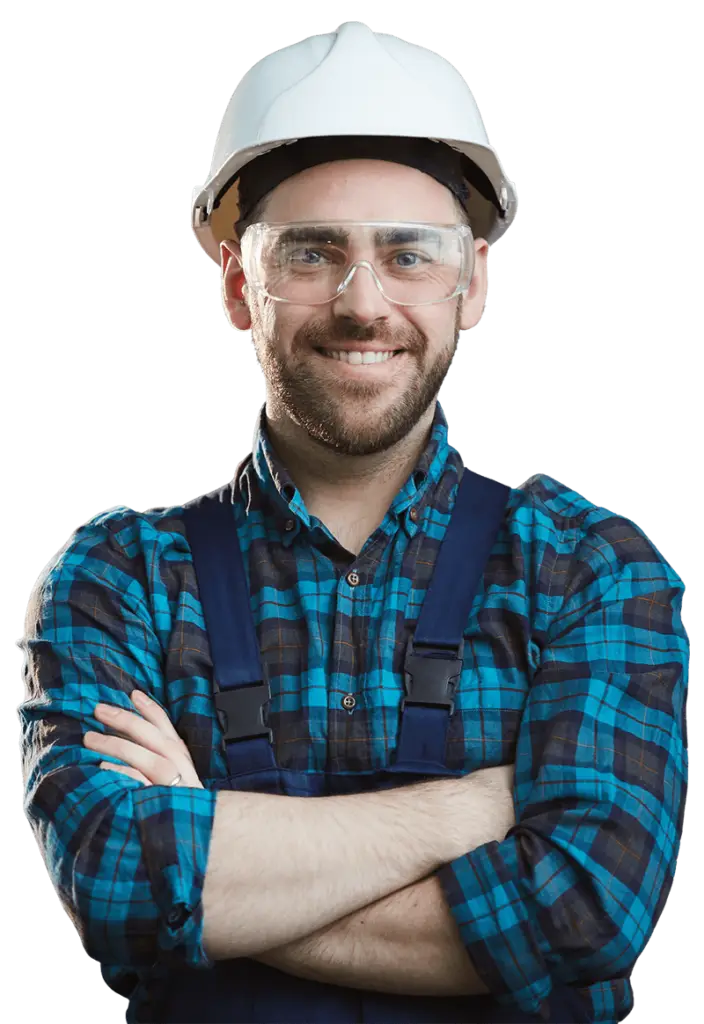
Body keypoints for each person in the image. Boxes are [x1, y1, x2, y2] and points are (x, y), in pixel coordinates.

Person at [18, 22, 688, 1024]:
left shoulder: (587, 568)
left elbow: (582, 915)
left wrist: (208, 851)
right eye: (311, 252)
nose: (361, 302)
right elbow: (114, 884)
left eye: (407, 254)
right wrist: (469, 811)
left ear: (472, 288)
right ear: (240, 285)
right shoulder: (118, 578)